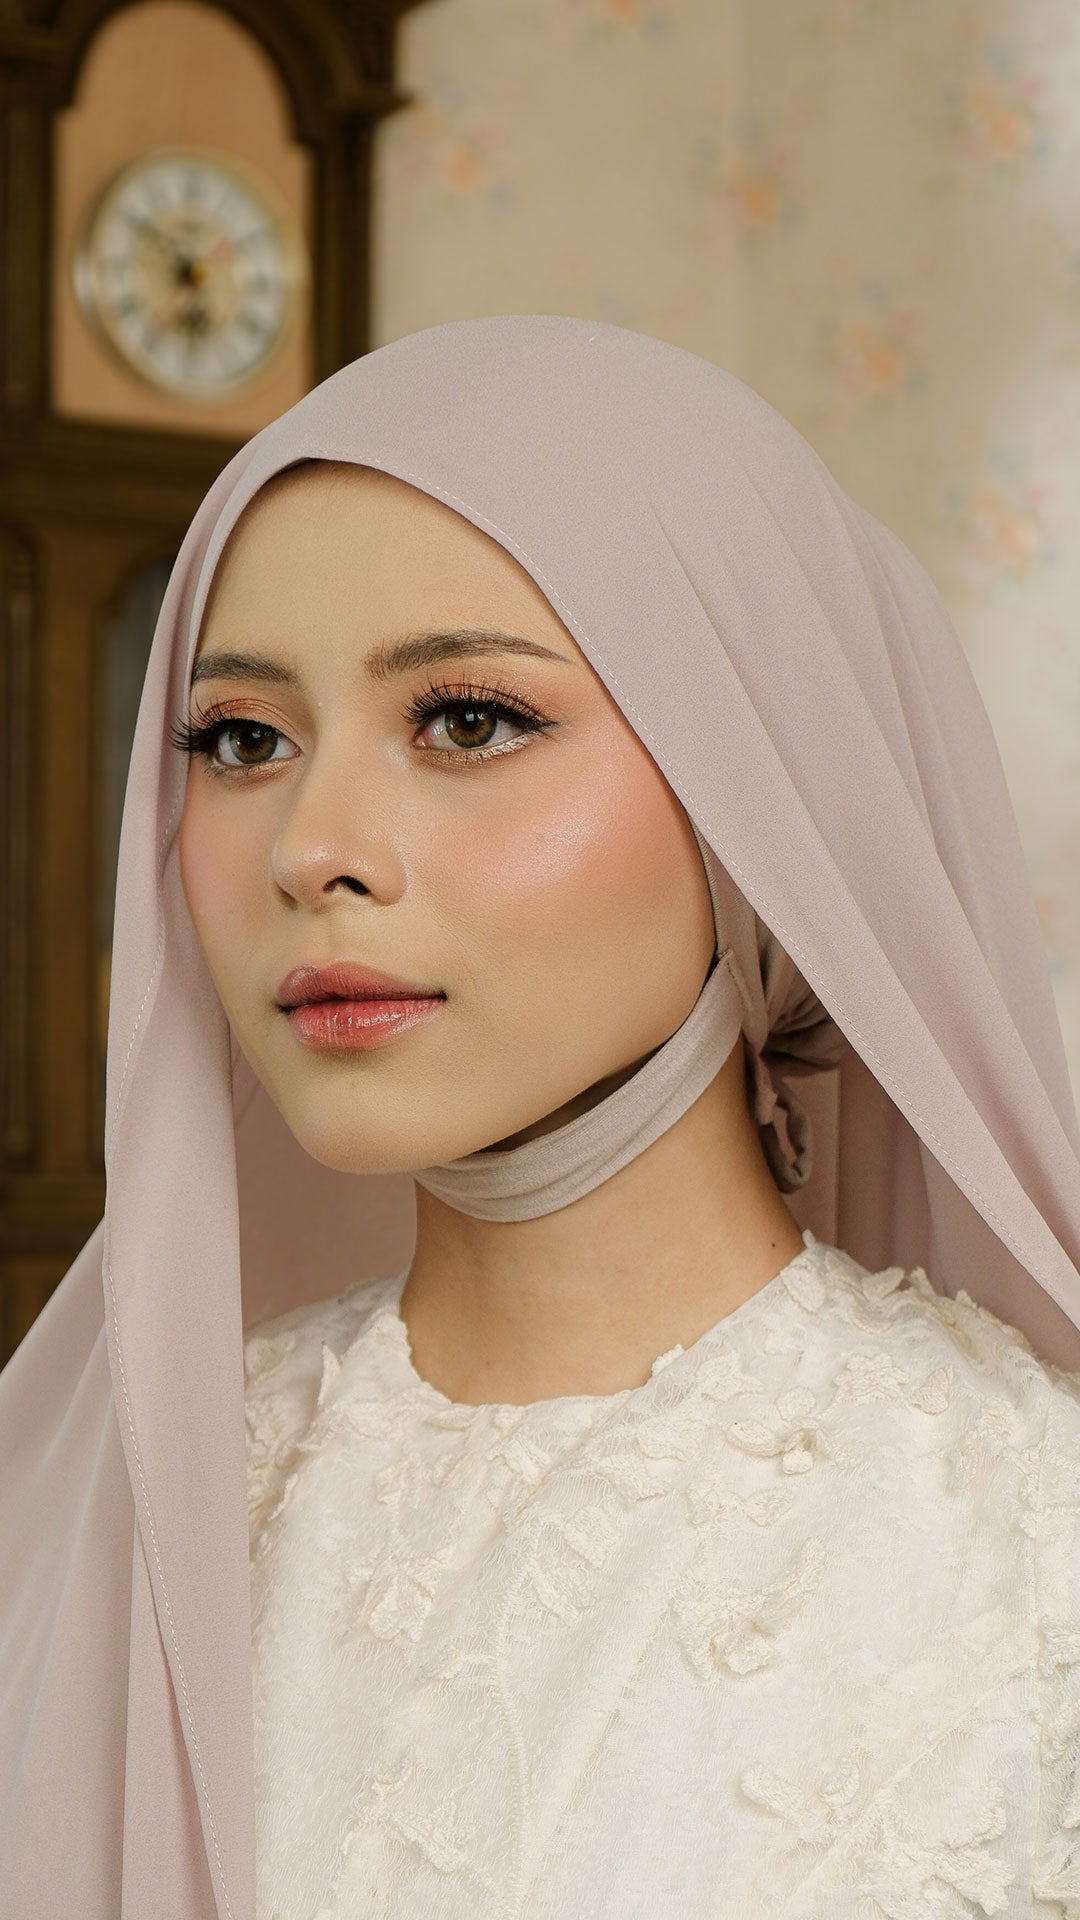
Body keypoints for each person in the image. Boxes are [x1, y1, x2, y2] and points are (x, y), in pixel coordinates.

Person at [2, 313, 1079, 1918]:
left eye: (467, 720)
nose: (312, 847)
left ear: (762, 791)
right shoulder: (122, 1509)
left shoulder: (1024, 1534)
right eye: (242, 740)